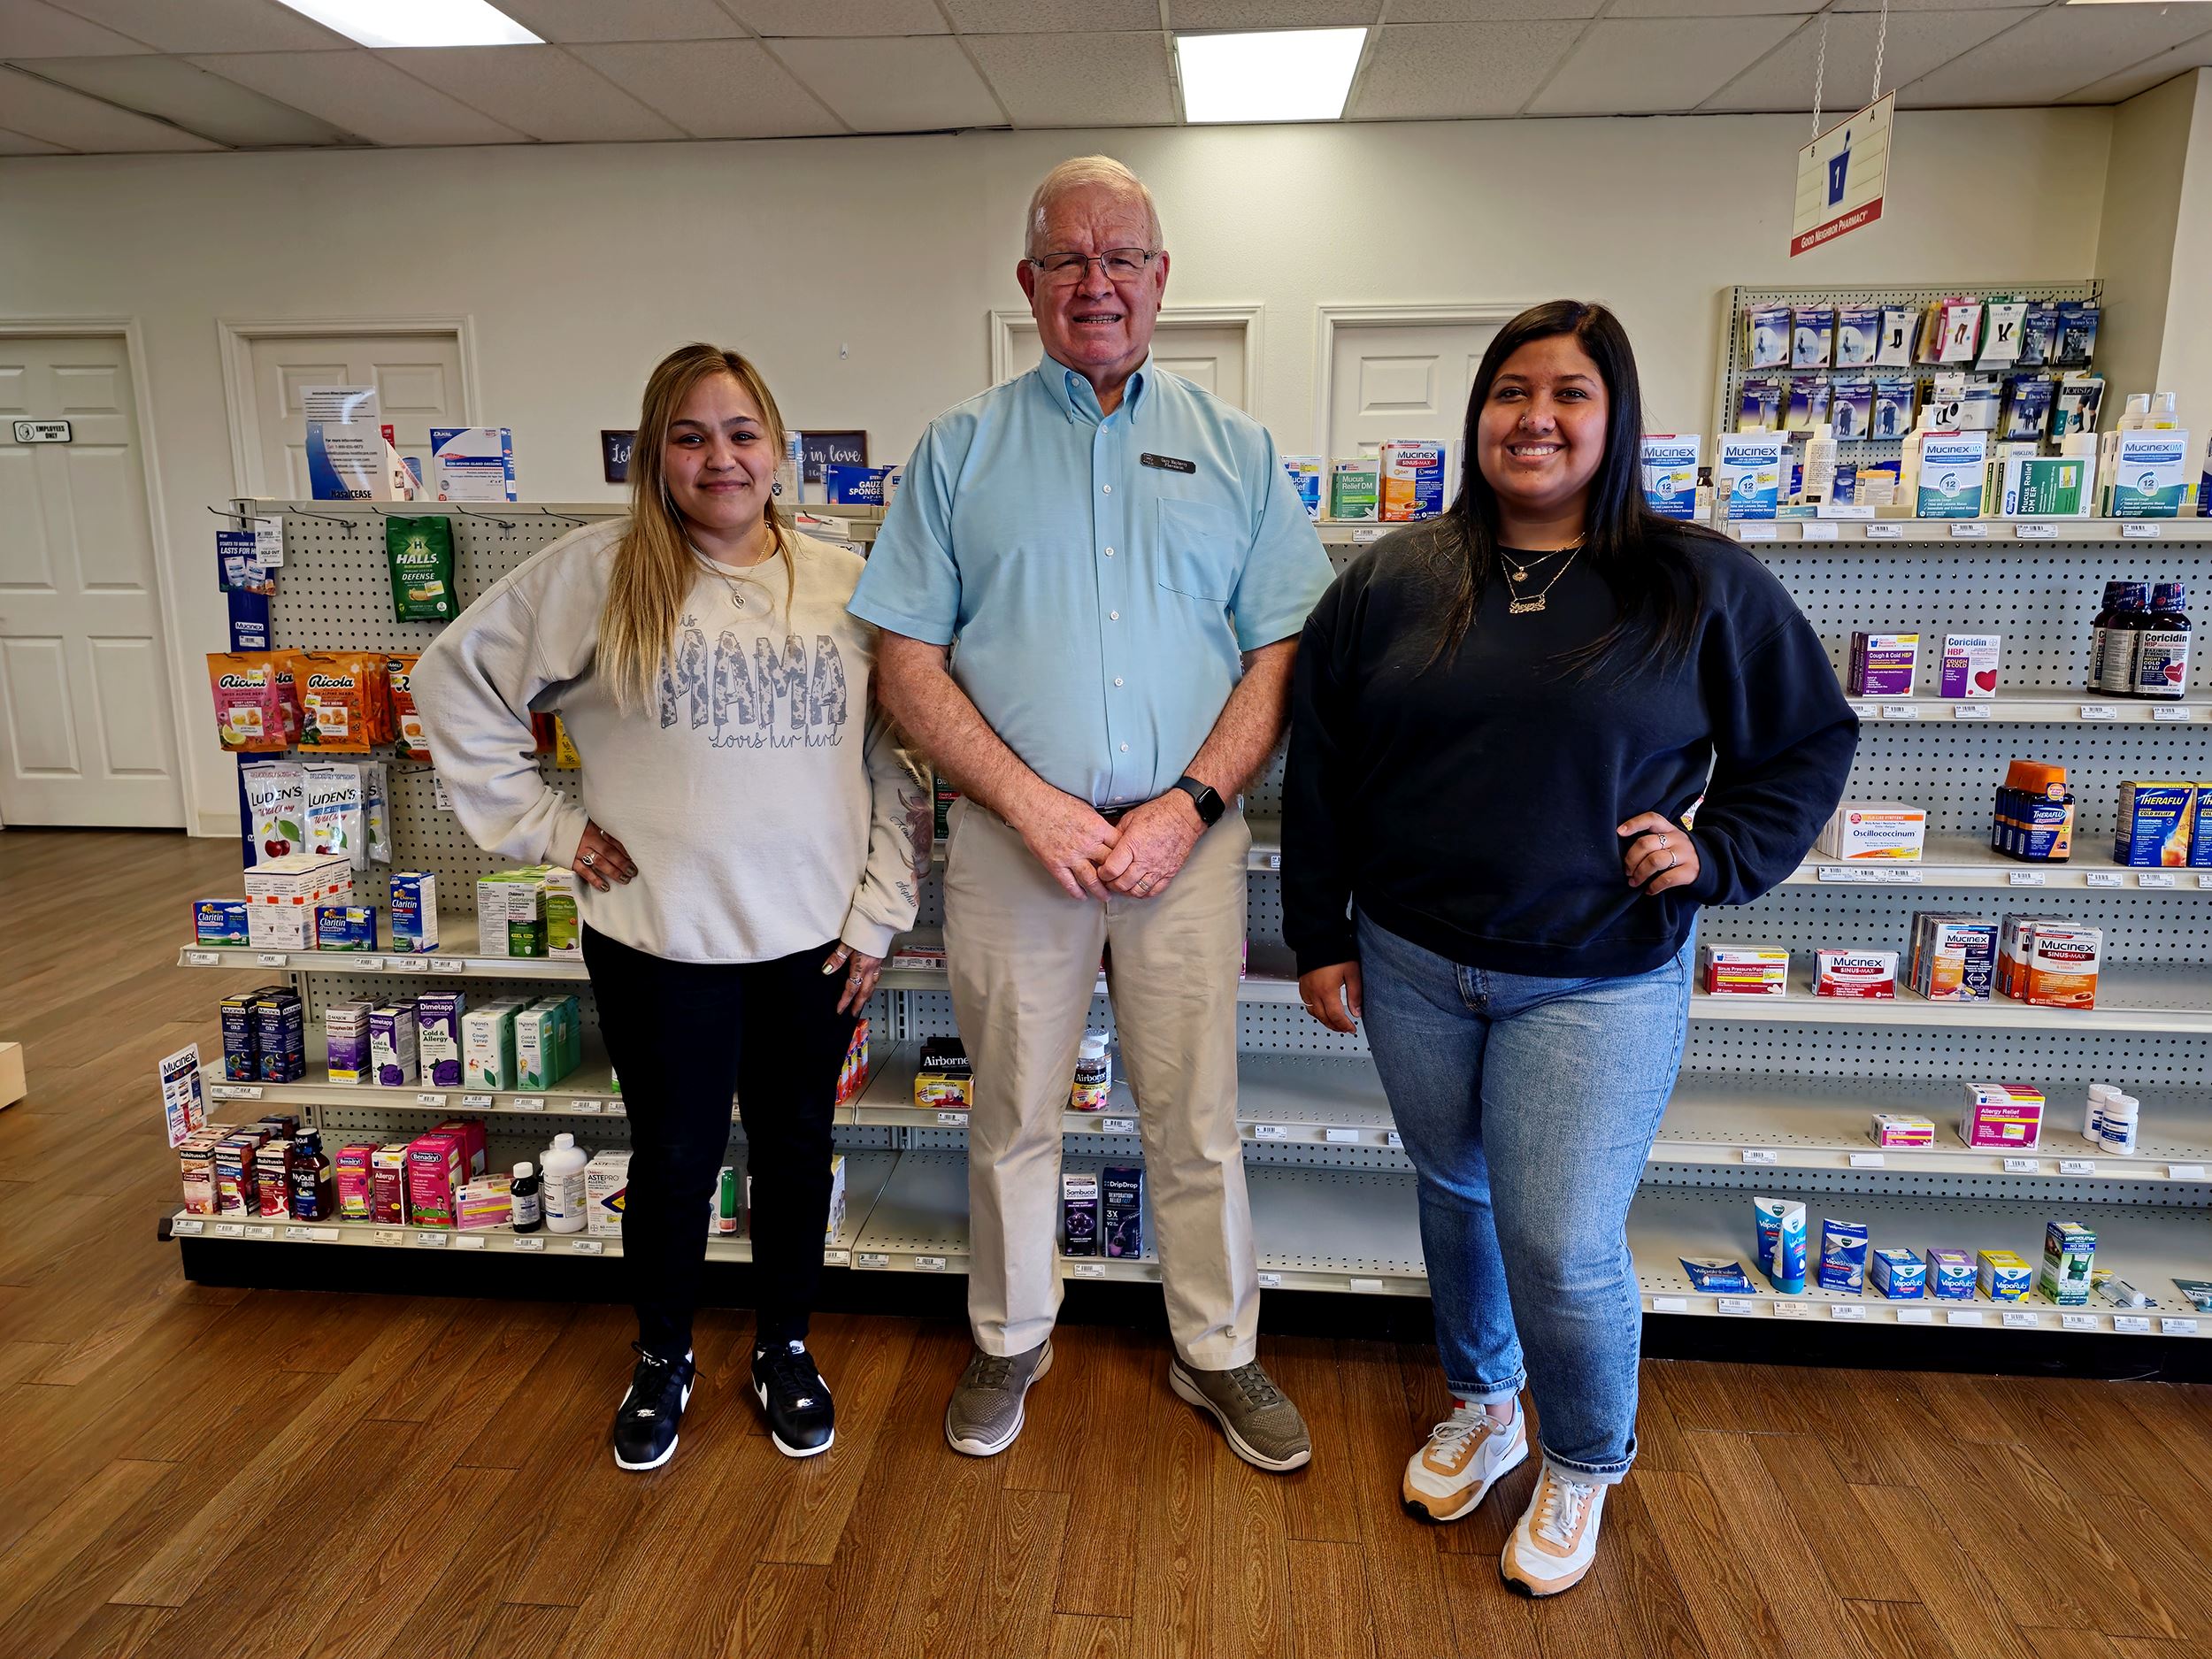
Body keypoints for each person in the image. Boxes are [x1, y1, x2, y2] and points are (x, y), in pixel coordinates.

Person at [1282, 301, 1856, 1594]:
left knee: (1561, 1237)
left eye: (1569, 393)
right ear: (1476, 412)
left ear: (1616, 417)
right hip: (1416, 960)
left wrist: (1717, 853)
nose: (1534, 417)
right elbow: (1321, 761)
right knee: (1456, 1189)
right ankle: (1486, 1404)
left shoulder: (1696, 578)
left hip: (1595, 972)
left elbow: (1809, 738)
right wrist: (1320, 928)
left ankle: (1584, 1454)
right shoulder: (1393, 577)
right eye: (1510, 391)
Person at [853, 156, 1334, 1470]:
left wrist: (1187, 801)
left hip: (1189, 844)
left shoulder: (1236, 452)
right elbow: (907, 662)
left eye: (1122, 255)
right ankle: (1011, 1332)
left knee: (1194, 1116)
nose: (1096, 282)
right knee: (1012, 1109)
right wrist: (1033, 804)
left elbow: (1277, 656)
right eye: (1066, 259)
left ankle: (1217, 1350)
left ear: (1162, 278)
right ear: (1028, 285)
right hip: (1020, 850)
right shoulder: (959, 450)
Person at [412, 343, 927, 1471]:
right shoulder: (594, 574)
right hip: (659, 942)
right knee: (676, 1161)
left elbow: (895, 763)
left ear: (780, 452)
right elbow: (451, 681)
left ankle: (784, 1346)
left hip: (813, 946)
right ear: (653, 456)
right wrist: (550, 829)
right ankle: (663, 1357)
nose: (719, 457)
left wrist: (880, 911)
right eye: (688, 436)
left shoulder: (850, 585)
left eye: (741, 433)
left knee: (797, 1155)